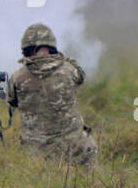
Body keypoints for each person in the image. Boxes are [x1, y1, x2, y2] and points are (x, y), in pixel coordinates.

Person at [8, 22, 97, 164]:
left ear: (26, 49)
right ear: (51, 47)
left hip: (34, 153)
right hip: (72, 149)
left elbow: (12, 101)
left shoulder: (17, 77)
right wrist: (62, 59)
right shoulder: (68, 70)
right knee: (88, 142)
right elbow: (81, 76)